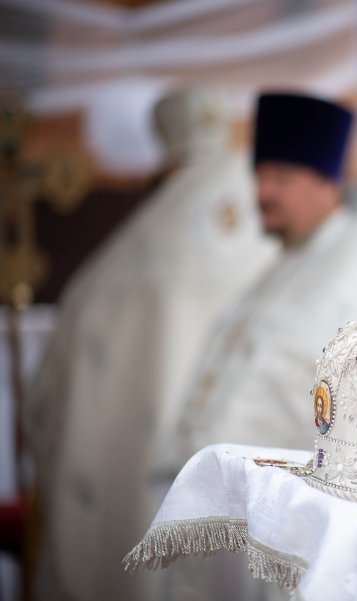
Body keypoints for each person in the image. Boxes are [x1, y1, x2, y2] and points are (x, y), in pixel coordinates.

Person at [24, 85, 278, 601]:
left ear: (165, 162)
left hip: (145, 466)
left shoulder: (132, 256)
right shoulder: (271, 229)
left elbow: (64, 370)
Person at [169, 91, 357, 473]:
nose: (262, 193)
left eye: (281, 178)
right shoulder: (292, 259)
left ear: (328, 184)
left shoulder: (356, 277)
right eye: (259, 177)